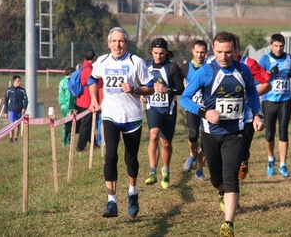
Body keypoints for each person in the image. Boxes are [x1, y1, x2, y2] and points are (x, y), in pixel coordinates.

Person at [180, 31, 264, 237]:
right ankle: (221, 192)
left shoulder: (243, 70)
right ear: (213, 51)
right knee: (217, 179)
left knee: (231, 177)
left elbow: (252, 93)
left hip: (235, 132)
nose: (224, 57)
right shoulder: (206, 72)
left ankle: (229, 224)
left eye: (228, 52)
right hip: (210, 133)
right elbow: (185, 98)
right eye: (219, 52)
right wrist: (205, 112)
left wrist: (257, 114)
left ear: (235, 51)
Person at [88, 27, 154, 218]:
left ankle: (133, 192)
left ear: (127, 44)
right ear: (109, 43)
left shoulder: (136, 62)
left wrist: (134, 88)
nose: (117, 45)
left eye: (121, 41)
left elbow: (150, 89)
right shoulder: (102, 61)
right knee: (110, 156)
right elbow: (93, 79)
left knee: (131, 159)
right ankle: (112, 202)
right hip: (110, 114)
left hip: (132, 116)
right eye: (114, 41)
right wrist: (93, 99)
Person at [141, 38, 184, 189]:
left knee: (166, 143)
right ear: (151, 52)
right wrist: (142, 93)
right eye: (156, 53)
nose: (158, 56)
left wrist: (167, 90)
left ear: (166, 52)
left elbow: (181, 89)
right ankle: (152, 171)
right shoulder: (145, 66)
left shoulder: (172, 67)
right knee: (153, 135)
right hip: (153, 106)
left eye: (161, 53)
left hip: (169, 108)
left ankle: (165, 170)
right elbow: (141, 84)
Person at [258, 33, 291, 177]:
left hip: (285, 100)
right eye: (276, 46)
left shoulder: (289, 58)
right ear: (271, 45)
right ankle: (270, 159)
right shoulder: (265, 59)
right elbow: (257, 79)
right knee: (269, 133)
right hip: (269, 100)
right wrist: (269, 73)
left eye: (281, 46)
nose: (279, 49)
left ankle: (283, 164)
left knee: (283, 131)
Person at [232, 35, 271, 181]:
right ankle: (230, 186)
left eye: (232, 50)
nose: (227, 54)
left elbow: (267, 84)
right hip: (226, 116)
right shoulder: (216, 64)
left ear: (237, 49)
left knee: (242, 150)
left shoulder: (249, 64)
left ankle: (244, 158)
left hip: (247, 116)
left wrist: (247, 95)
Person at [180, 40, 208, 181]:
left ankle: (200, 170)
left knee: (206, 140)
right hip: (192, 107)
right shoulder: (185, 68)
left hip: (208, 108)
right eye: (197, 52)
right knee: (193, 136)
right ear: (192, 52)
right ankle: (192, 155)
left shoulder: (210, 68)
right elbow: (176, 86)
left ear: (206, 53)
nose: (199, 55)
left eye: (202, 52)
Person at [75, 49, 99, 152]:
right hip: (86, 100)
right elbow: (93, 84)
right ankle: (80, 146)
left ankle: (93, 143)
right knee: (85, 124)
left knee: (88, 123)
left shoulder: (82, 67)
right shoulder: (89, 70)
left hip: (80, 99)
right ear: (94, 58)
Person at [4, 75, 28, 143]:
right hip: (11, 109)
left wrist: (24, 108)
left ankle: (15, 138)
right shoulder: (9, 90)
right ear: (14, 81)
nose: (19, 82)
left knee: (17, 124)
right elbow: (6, 100)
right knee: (11, 123)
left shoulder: (22, 90)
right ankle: (10, 138)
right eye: (18, 81)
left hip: (19, 109)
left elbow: (26, 100)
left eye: (20, 81)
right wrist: (5, 111)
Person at [58, 67, 76, 146]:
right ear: (71, 74)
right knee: (68, 124)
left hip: (62, 104)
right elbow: (69, 97)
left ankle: (64, 142)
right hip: (67, 105)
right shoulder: (68, 82)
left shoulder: (62, 81)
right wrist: (70, 109)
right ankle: (66, 142)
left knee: (66, 123)